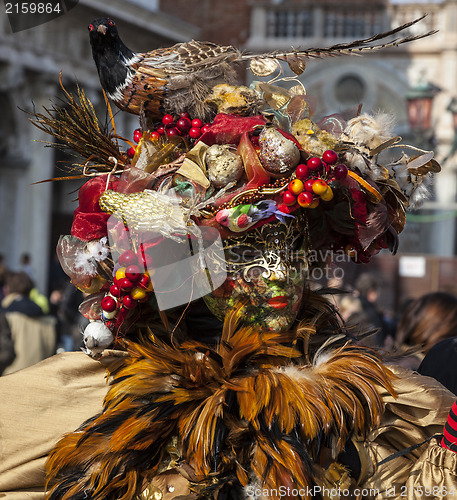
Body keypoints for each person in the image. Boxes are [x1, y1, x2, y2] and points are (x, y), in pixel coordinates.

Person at [1, 20, 457, 500]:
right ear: (186, 269)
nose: (279, 281)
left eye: (293, 251)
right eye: (246, 255)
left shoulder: (386, 410)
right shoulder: (68, 401)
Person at [1, 271, 56, 374]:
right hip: (37, 376)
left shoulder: (6, 315)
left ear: (7, 289)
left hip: (9, 377)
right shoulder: (47, 320)